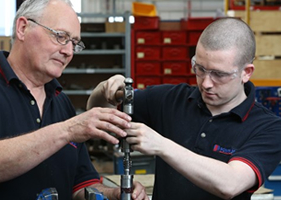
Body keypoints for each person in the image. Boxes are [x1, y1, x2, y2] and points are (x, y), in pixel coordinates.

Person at [0, 0, 149, 199]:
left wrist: (114, 194)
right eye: (60, 36)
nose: (68, 51)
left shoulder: (61, 103)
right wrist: (68, 130)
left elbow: (80, 185)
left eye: (74, 43)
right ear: (22, 28)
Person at [87, 17, 281, 200]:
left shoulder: (268, 127)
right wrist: (105, 90)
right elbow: (98, 120)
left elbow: (230, 184)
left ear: (246, 72)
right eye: (200, 69)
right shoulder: (170, 99)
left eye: (218, 74)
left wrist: (162, 145)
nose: (205, 83)